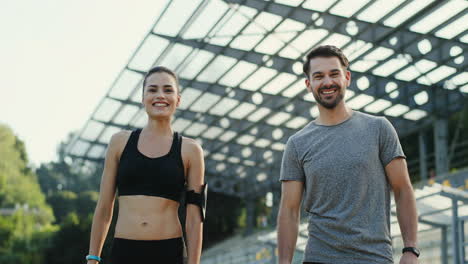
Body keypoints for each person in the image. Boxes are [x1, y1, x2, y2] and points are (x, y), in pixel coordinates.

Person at [277, 45, 419, 264]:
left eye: (334, 74)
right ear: (308, 85)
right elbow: (289, 209)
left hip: (374, 258)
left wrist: (410, 249)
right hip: (319, 258)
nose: (327, 82)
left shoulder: (379, 129)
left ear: (347, 78)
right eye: (318, 76)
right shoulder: (297, 144)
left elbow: (403, 189)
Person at [85, 66, 206, 264]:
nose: (160, 95)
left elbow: (194, 218)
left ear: (178, 99)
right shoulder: (119, 143)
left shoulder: (191, 150)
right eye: (152, 90)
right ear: (142, 98)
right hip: (124, 251)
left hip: (169, 252)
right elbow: (105, 206)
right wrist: (92, 258)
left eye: (168, 90)